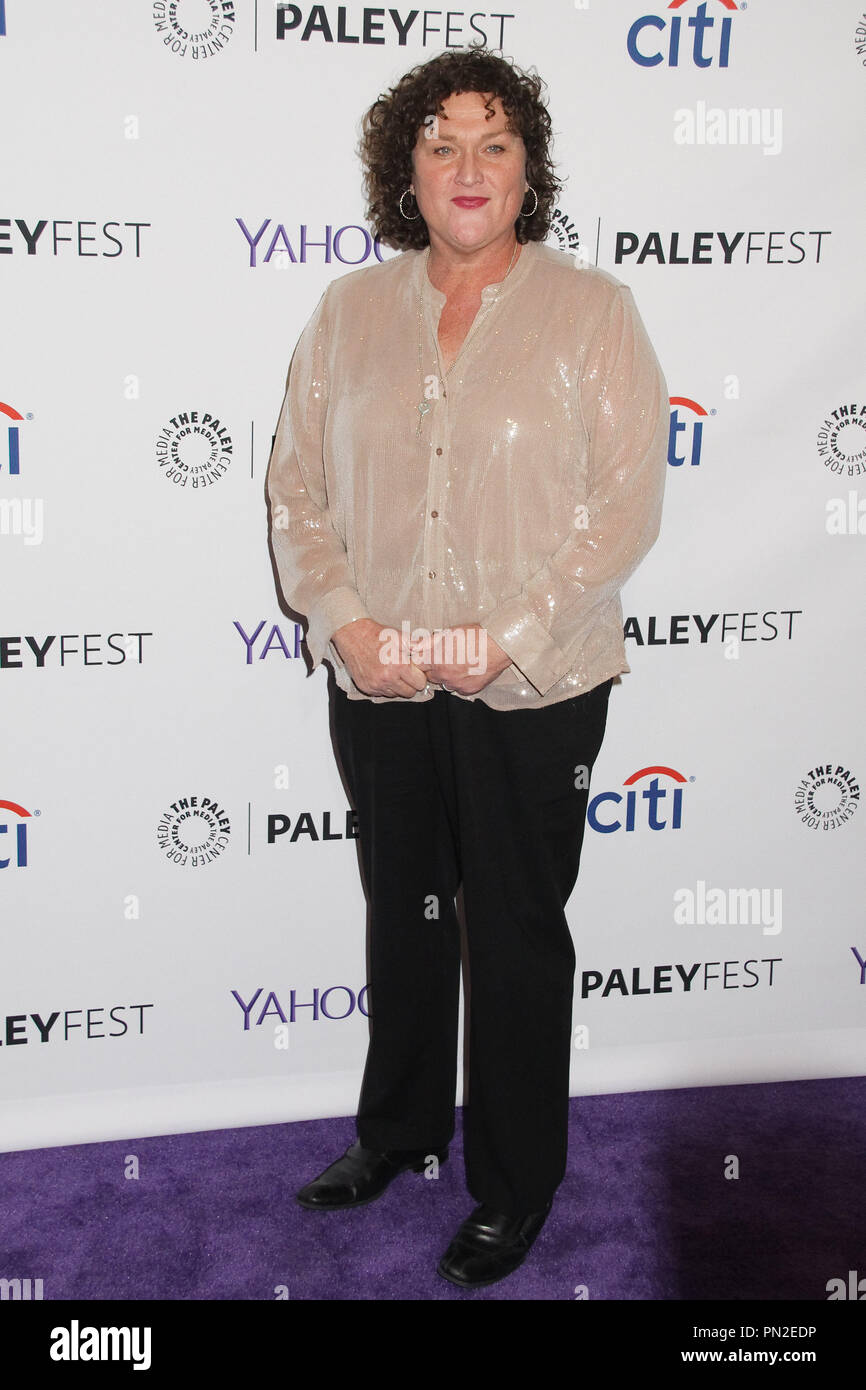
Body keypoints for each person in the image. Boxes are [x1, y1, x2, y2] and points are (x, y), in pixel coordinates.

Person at [266, 45, 668, 1290]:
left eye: (493, 142)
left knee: (509, 930)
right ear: (406, 173)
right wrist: (347, 625)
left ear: (527, 168)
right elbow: (295, 486)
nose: (467, 166)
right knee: (406, 917)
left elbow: (622, 509)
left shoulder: (592, 312)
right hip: (380, 681)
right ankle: (394, 1135)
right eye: (439, 143)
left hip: (532, 688)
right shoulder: (345, 313)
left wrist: (502, 637)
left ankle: (514, 1182)